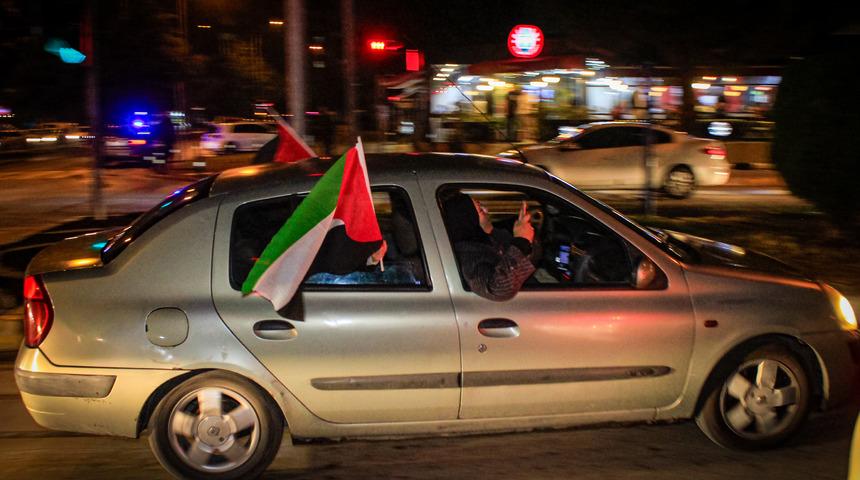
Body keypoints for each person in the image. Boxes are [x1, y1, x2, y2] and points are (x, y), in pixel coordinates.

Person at [442, 192, 535, 301]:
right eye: (480, 210)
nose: (486, 210)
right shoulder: (469, 255)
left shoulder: (485, 239)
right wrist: (522, 241)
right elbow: (498, 288)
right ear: (468, 218)